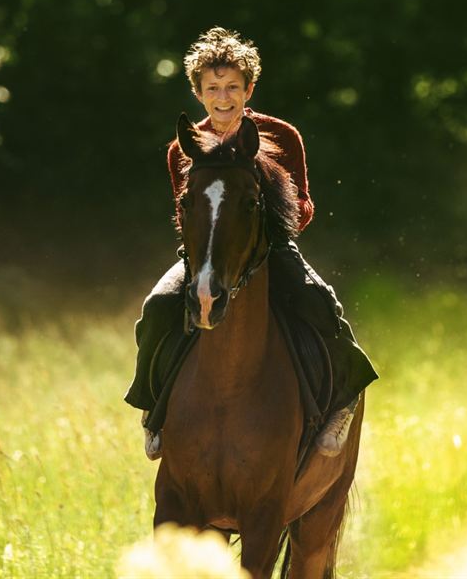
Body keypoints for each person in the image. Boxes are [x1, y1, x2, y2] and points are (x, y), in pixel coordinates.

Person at [124, 27, 378, 460]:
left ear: (249, 88)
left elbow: (303, 203)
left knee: (318, 299)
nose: (223, 98)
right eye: (213, 89)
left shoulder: (282, 136)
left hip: (270, 249)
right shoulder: (181, 150)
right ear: (198, 92)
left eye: (232, 88)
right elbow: (185, 214)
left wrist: (269, 222)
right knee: (157, 307)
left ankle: (344, 398)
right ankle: (153, 409)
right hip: (206, 255)